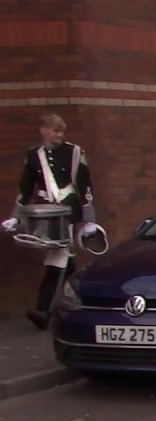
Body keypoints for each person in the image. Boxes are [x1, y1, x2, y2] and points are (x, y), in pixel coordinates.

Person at [5, 114, 102, 330]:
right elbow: (25, 189)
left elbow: (85, 188)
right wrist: (15, 217)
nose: (59, 135)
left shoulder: (73, 152)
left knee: (56, 257)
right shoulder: (33, 155)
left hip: (67, 212)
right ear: (43, 130)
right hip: (46, 213)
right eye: (55, 130)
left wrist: (89, 220)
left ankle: (43, 311)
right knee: (66, 263)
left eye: (61, 131)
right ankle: (82, 301)